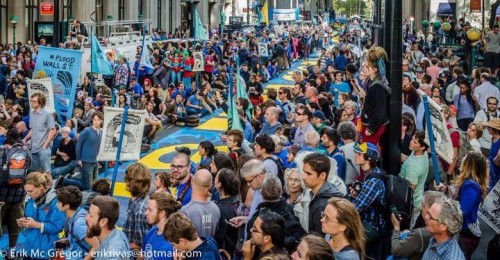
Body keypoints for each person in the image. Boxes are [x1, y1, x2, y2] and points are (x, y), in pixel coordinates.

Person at [245, 175, 305, 252]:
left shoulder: (256, 220)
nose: (252, 230)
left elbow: (249, 248)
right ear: (281, 192)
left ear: (261, 193)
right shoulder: (290, 210)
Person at [350, 142, 387, 259]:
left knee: (347, 238)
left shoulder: (373, 181)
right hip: (367, 220)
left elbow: (356, 208)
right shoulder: (370, 173)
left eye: (359, 154)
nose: (355, 155)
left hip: (373, 225)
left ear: (368, 159)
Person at [20, 171, 65, 259]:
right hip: (29, 249)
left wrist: (37, 225)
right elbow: (28, 221)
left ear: (40, 187)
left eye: (30, 191)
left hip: (47, 251)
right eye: (26, 191)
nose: (28, 194)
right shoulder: (30, 200)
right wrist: (24, 223)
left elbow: (58, 227)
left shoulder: (55, 202)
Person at [59, 112, 103, 191]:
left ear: (101, 121)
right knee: (87, 186)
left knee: (93, 184)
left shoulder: (101, 132)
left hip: (95, 161)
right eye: (94, 120)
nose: (96, 121)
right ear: (92, 120)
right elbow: (78, 144)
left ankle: (69, 179)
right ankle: (64, 181)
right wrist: (78, 159)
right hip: (85, 161)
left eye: (98, 120)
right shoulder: (87, 131)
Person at [302, 153, 344, 236]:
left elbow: (318, 241)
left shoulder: (322, 205)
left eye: (308, 173)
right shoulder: (327, 191)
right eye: (304, 172)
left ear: (322, 175)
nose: (303, 177)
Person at [0, 129, 26, 255]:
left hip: (1, 196)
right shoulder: (25, 152)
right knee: (14, 227)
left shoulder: (1, 151)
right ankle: (11, 252)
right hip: (19, 196)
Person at [55, 186, 99, 259]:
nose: (56, 204)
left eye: (59, 202)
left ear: (66, 206)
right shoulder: (77, 212)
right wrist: (67, 240)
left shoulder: (79, 225)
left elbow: (96, 246)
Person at [359, 47, 390, 145]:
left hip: (372, 126)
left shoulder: (377, 86)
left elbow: (380, 110)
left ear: (375, 69)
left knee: (367, 153)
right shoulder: (371, 82)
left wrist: (371, 129)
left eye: (367, 66)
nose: (364, 68)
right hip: (369, 123)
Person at [85, 195, 131, 260]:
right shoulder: (117, 234)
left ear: (103, 222)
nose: (86, 218)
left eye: (91, 215)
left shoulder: (112, 254)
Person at [399, 131, 429, 229]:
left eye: (415, 142)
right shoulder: (420, 154)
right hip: (418, 198)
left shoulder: (414, 167)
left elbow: (410, 189)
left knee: (408, 228)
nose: (411, 142)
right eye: (412, 139)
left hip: (412, 203)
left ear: (422, 147)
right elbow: (409, 159)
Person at [179, 169, 221, 238]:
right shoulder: (216, 209)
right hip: (210, 247)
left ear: (192, 182)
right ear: (210, 186)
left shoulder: (185, 212)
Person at [141, 192, 181, 260]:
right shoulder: (151, 232)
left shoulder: (173, 243)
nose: (146, 213)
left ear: (162, 213)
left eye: (150, 210)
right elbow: (141, 255)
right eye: (146, 209)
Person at [23, 92, 56, 171]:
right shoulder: (32, 113)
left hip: (43, 149)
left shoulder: (47, 114)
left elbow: (53, 131)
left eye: (34, 101)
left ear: (40, 102)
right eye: (31, 101)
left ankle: (50, 184)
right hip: (34, 148)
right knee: (35, 172)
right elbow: (32, 129)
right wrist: (25, 139)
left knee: (46, 172)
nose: (32, 103)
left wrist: (44, 146)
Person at [123, 163, 151, 252]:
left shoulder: (140, 209)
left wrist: (120, 244)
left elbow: (142, 244)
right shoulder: (135, 200)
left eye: (127, 179)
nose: (125, 181)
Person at [214, 168, 241, 256]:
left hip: (226, 253)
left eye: (216, 177)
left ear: (219, 184)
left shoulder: (221, 209)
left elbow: (220, 237)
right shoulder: (237, 202)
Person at [482, 118, 500, 190]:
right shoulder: (493, 138)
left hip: (497, 173)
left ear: (494, 129)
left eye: (489, 127)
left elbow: (497, 162)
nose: (487, 128)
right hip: (491, 171)